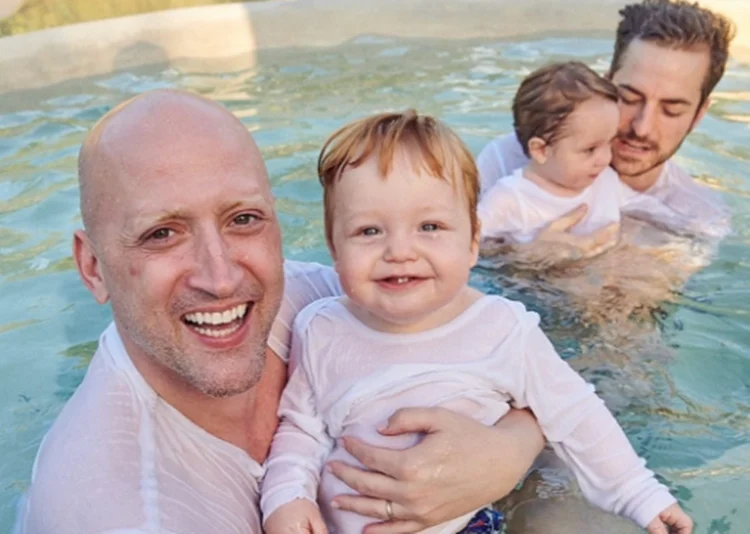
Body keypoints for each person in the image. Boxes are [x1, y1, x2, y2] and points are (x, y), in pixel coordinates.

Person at [14, 91, 545, 533]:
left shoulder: (315, 302)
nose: (221, 278)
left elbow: (519, 364)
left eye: (242, 219)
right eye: (162, 234)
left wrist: (505, 453)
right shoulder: (127, 512)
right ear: (92, 267)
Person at [260, 110, 692, 534]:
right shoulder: (321, 329)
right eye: (369, 231)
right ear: (334, 248)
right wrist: (287, 496)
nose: (400, 251)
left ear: (472, 242)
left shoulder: (502, 329)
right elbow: (303, 428)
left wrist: (640, 494)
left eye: (430, 226)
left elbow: (576, 415)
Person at [477, 0, 735, 256]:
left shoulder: (696, 219)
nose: (642, 128)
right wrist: (526, 257)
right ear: (605, 85)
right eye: (629, 98)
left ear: (698, 115)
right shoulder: (507, 160)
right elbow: (463, 252)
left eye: (671, 110)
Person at [478, 61, 693, 245]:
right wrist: (527, 256)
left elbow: (645, 207)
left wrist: (686, 230)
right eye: (590, 149)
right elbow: (468, 246)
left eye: (608, 143)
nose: (605, 159)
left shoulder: (604, 181)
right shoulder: (509, 199)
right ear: (541, 150)